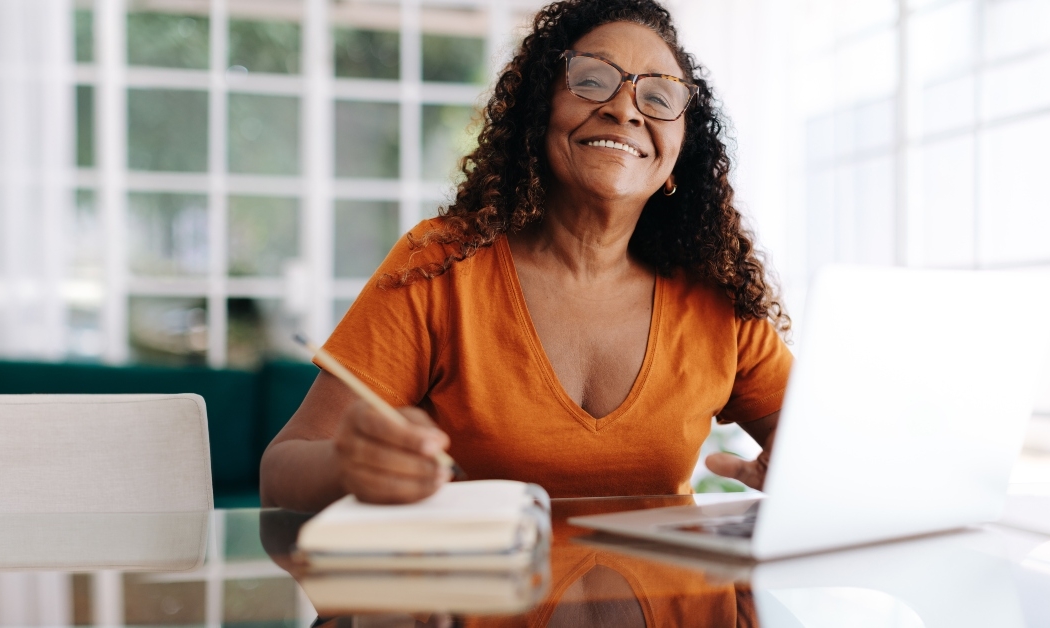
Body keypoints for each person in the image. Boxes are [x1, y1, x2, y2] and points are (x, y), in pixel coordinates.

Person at [261, 0, 792, 511]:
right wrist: (348, 467)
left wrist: (800, 475)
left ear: (678, 155)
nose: (624, 108)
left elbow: (834, 459)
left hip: (670, 602)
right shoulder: (441, 265)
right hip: (480, 598)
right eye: (590, 81)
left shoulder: (716, 298)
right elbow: (281, 470)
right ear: (538, 114)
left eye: (658, 98)